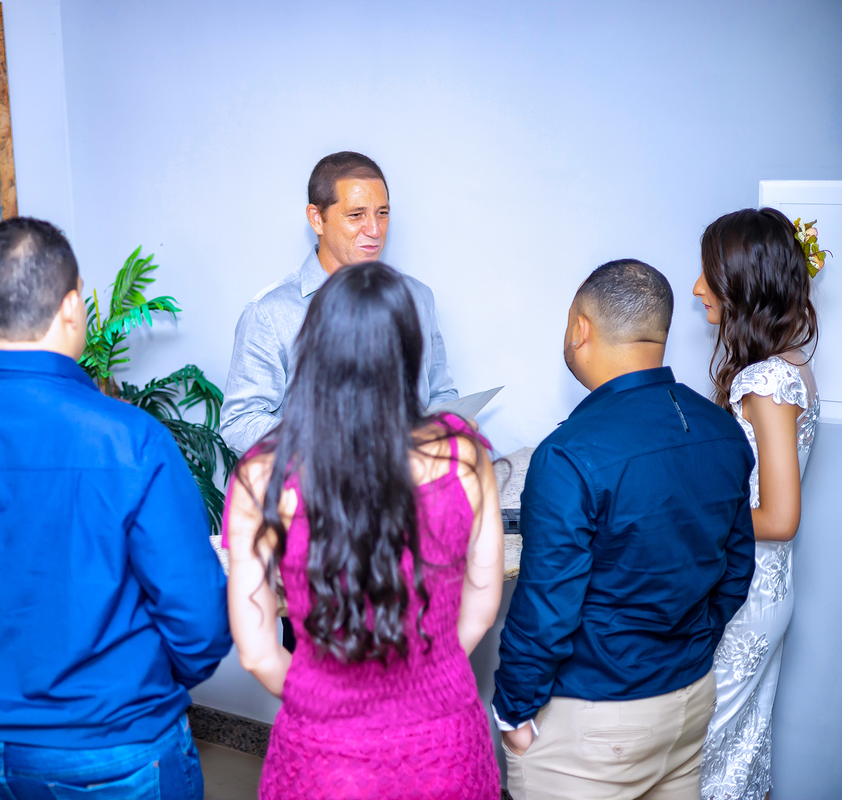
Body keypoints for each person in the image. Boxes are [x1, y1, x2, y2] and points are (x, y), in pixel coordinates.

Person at [0, 217, 232, 800]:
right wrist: (134, 686)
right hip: (108, 744)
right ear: (72, 307)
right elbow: (198, 618)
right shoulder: (132, 441)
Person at [225, 261, 504, 800]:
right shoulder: (462, 454)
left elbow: (258, 653)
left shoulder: (263, 473)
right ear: (410, 351)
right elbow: (480, 608)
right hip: (443, 737)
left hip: (322, 751)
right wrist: (430, 677)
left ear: (313, 349)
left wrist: (323, 698)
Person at [493, 260, 756, 800]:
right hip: (689, 702)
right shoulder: (722, 430)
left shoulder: (568, 453)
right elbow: (736, 570)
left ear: (580, 329)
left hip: (596, 720)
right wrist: (689, 649)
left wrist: (512, 711)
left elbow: (547, 607)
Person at [694, 208, 820, 800]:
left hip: (746, 595)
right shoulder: (788, 364)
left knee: (703, 755)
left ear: (741, 284)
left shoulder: (765, 381)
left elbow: (780, 517)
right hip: (765, 589)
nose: (698, 287)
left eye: (708, 274)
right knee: (738, 751)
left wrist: (691, 515)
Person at [219, 151, 458, 455]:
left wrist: (448, 427)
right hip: (317, 483)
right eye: (356, 215)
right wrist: (333, 446)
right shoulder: (270, 313)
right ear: (316, 218)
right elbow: (240, 423)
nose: (374, 230)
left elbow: (440, 393)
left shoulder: (418, 297)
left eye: (382, 213)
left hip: (410, 479)